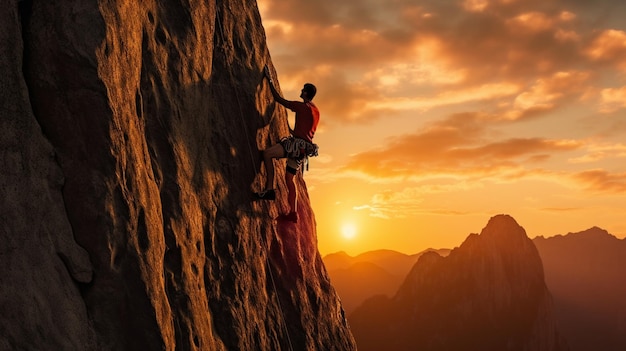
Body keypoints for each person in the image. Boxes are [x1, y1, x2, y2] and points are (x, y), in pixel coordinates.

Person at [255, 66, 320, 223]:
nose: (301, 90)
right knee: (289, 179)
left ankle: (270, 190)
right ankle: (293, 212)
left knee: (267, 154)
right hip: (304, 149)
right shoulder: (316, 110)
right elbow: (305, 129)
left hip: (295, 146)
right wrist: (293, 131)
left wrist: (269, 79)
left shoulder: (301, 106)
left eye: (303, 89)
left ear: (306, 93)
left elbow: (278, 99)